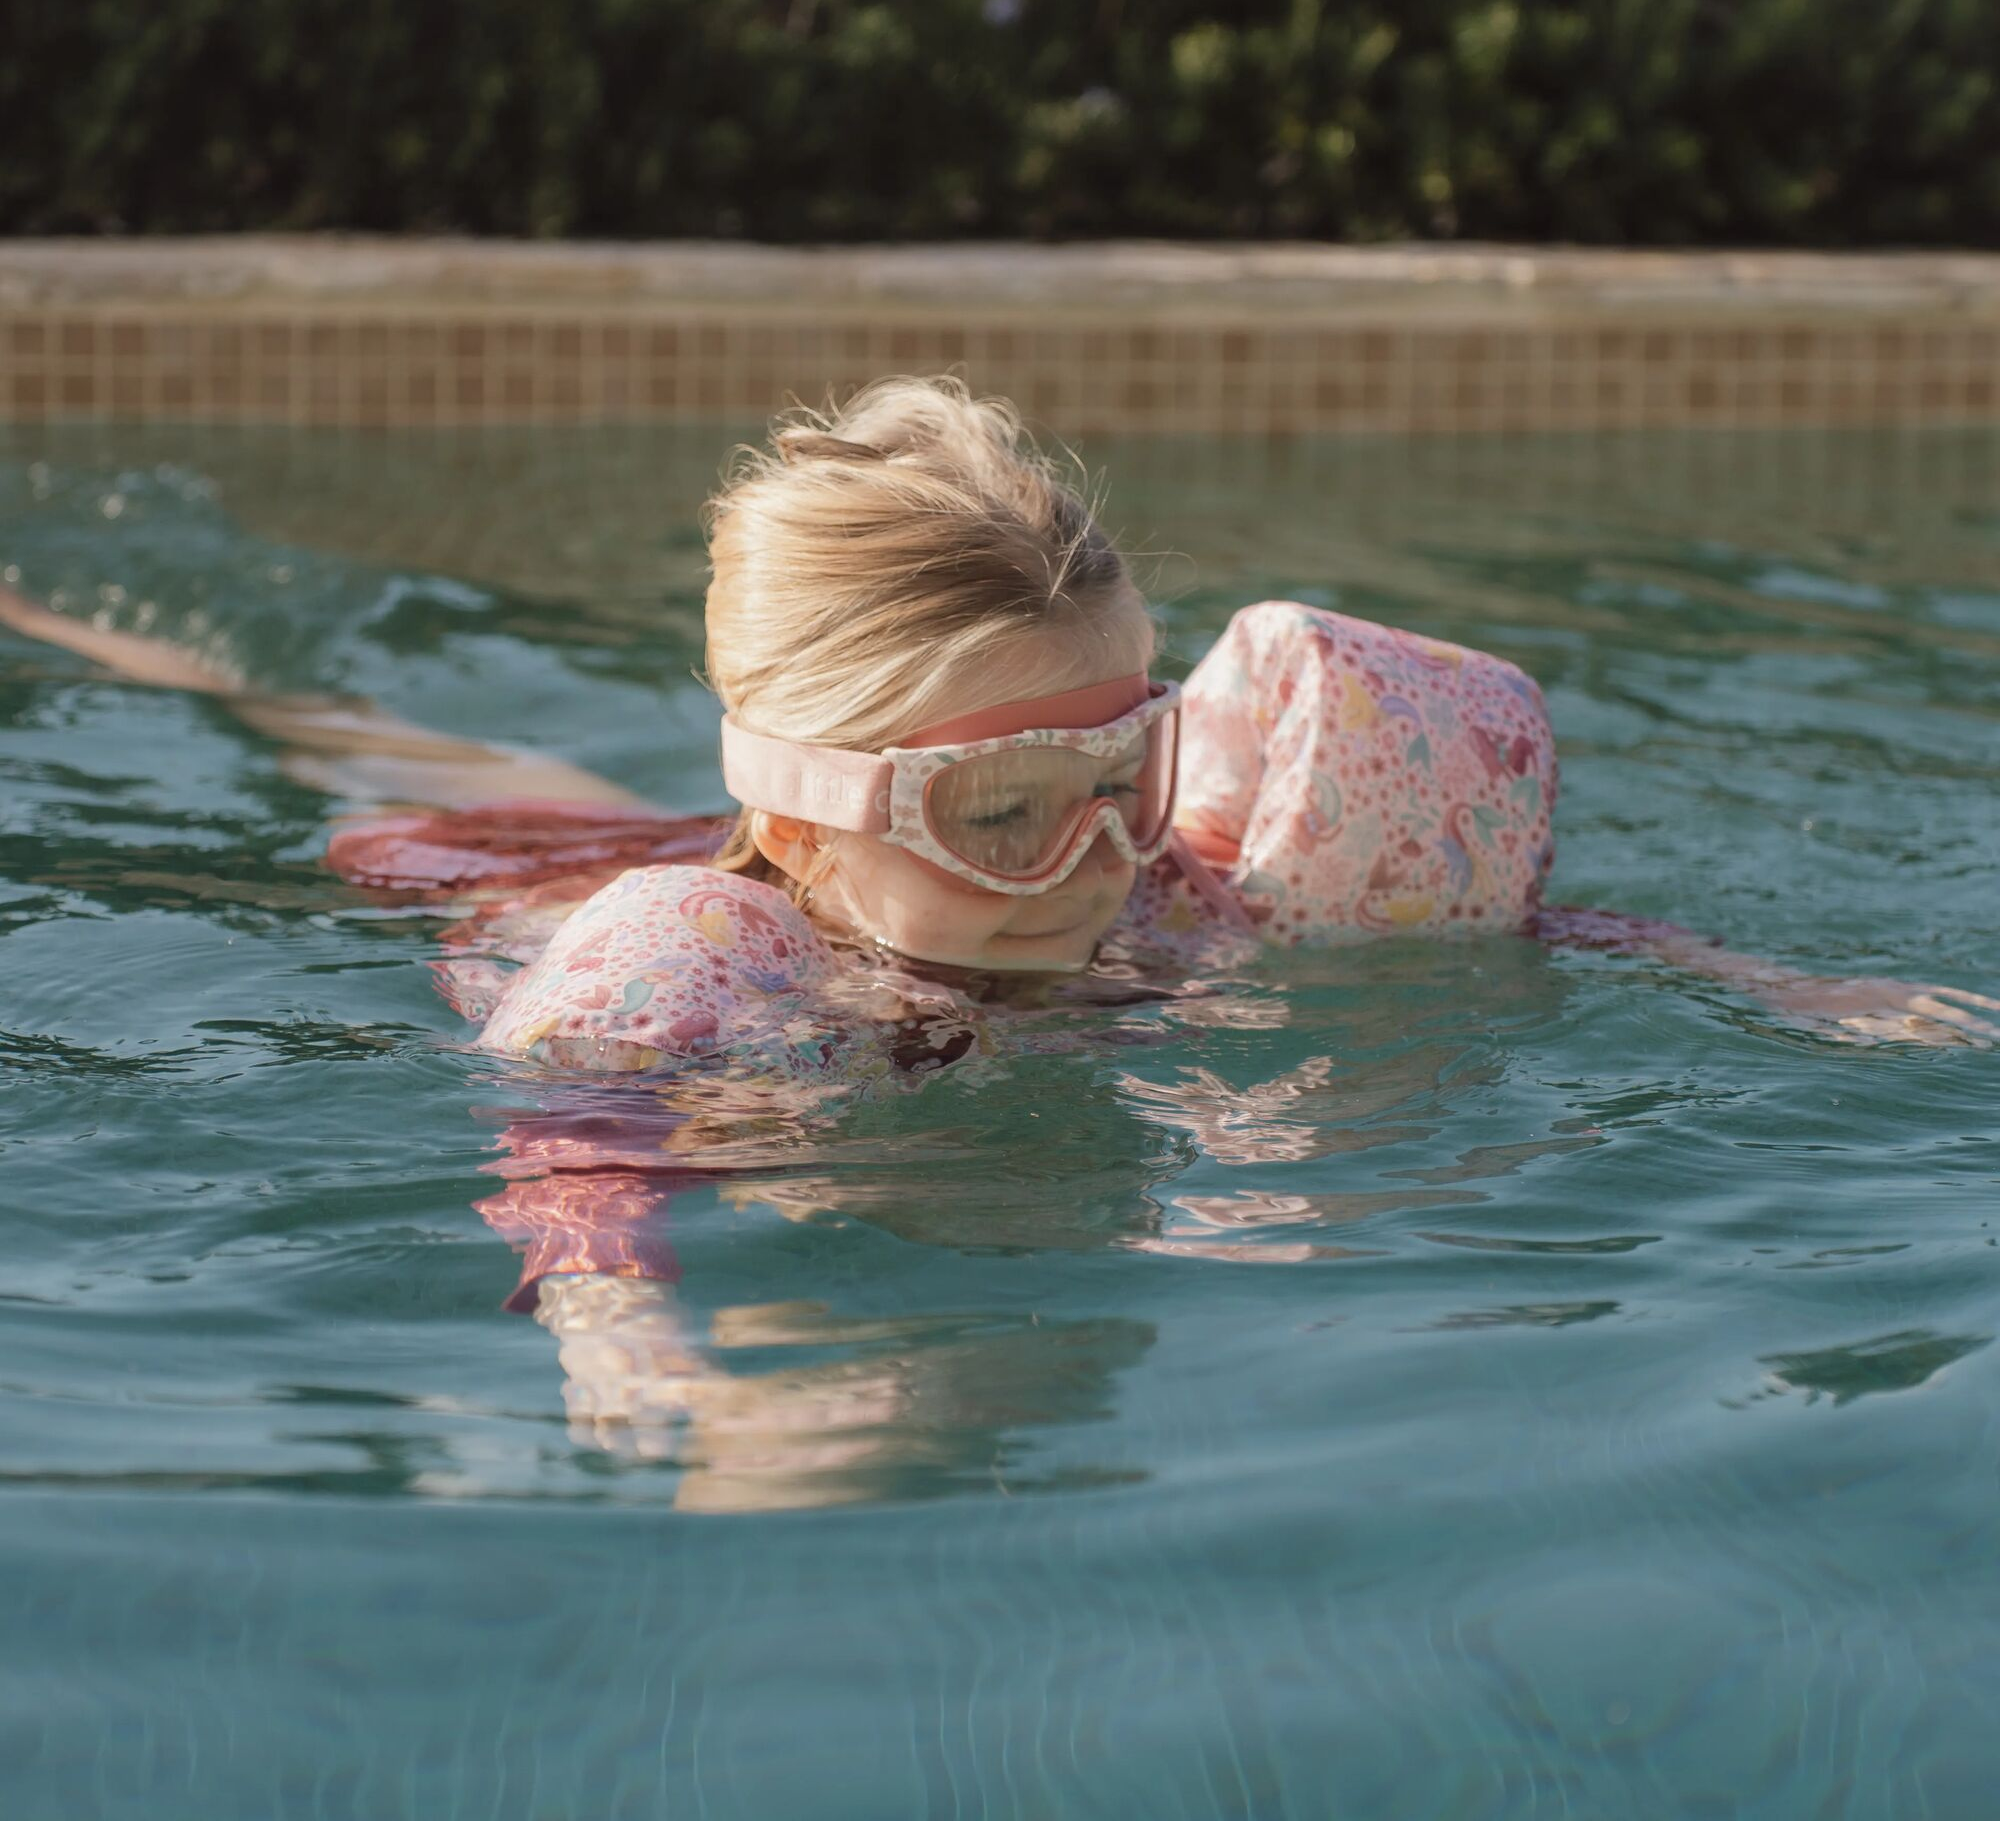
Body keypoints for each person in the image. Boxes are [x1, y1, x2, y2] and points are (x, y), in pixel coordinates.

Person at [4, 376, 1994, 1485]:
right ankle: (107, 629)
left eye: (1130, 766)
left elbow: (1528, 933)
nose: (1099, 857)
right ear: (808, 806)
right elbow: (574, 1159)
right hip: (508, 878)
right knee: (356, 747)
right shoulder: (706, 966)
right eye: (1002, 808)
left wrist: (1773, 988)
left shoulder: (1150, 879)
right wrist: (619, 1330)